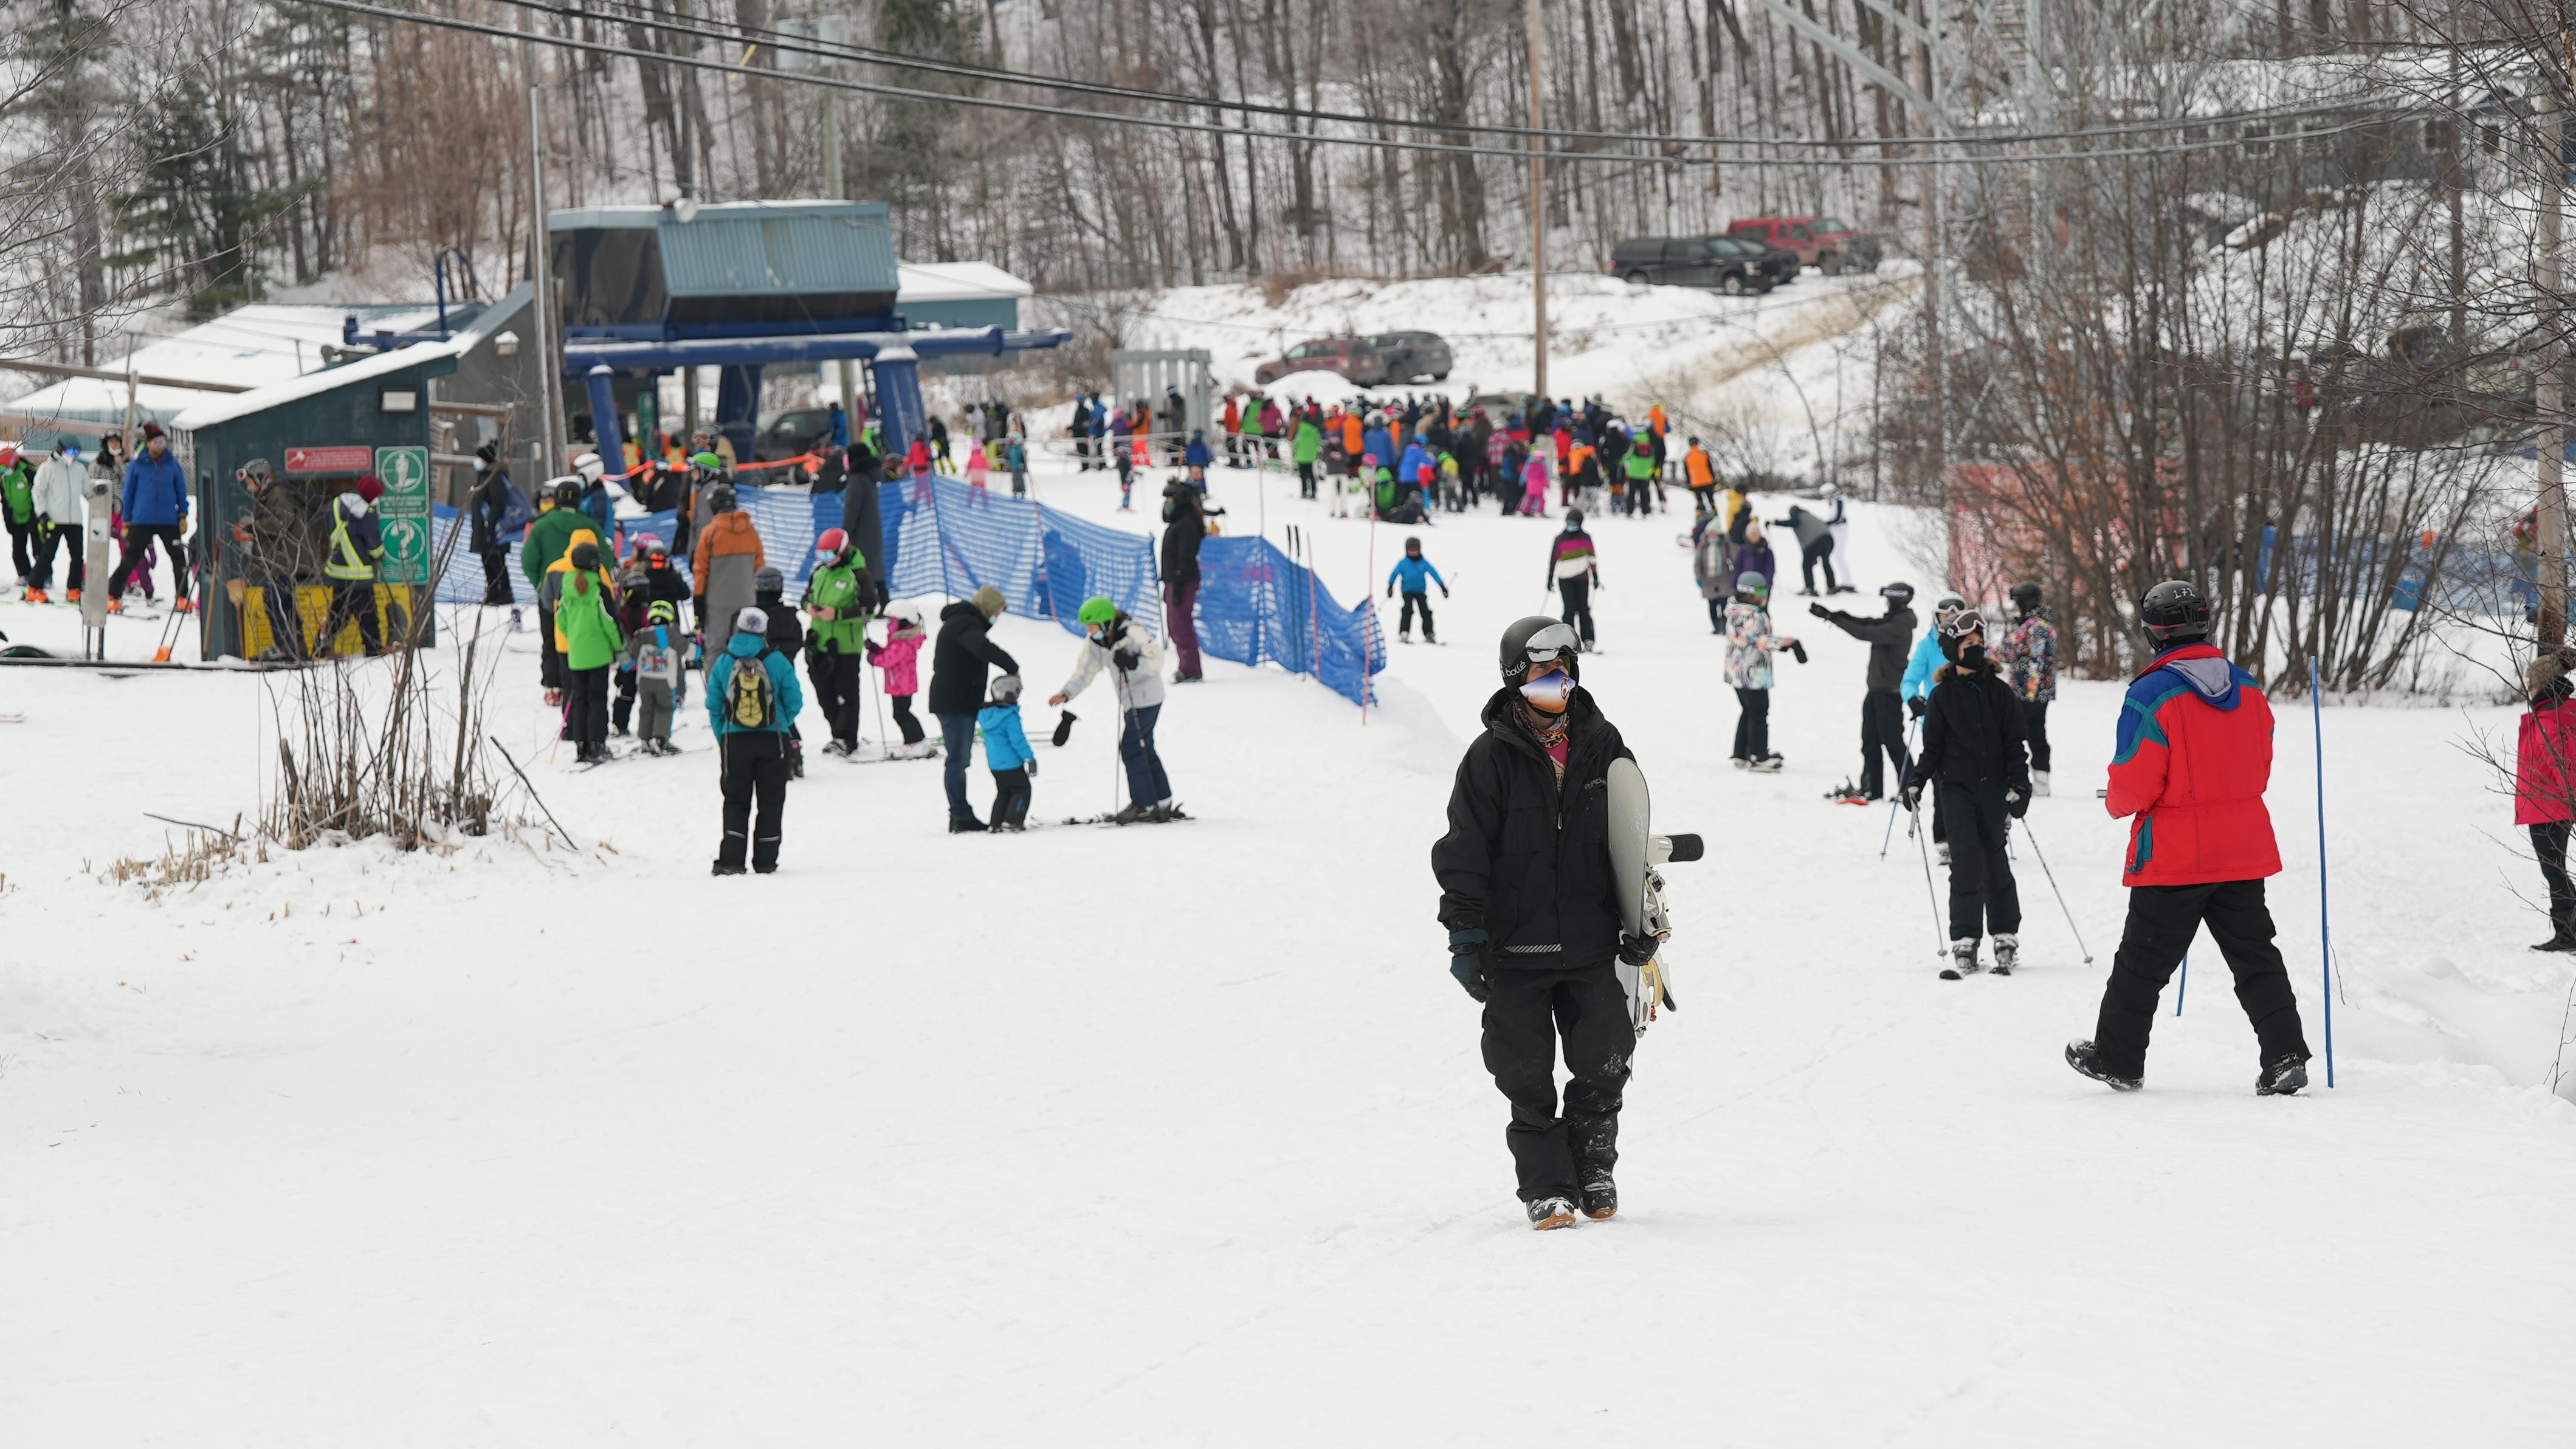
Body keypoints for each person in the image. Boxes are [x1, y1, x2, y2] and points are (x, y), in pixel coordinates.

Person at [1431, 616, 1652, 1230]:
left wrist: (1640, 918)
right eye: (1542, 674)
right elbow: (1463, 851)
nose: (1556, 683)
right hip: (1515, 946)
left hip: (1586, 940)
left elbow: (1626, 839)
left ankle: (1592, 1163)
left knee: (1606, 1056)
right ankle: (1547, 1185)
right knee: (1522, 1071)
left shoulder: (1602, 745)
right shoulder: (1489, 759)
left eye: (1562, 672)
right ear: (1513, 681)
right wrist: (1465, 934)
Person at [2067, 582, 2314, 1094]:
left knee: (2141, 962)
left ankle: (2118, 1058)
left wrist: (2115, 802)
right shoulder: (2247, 688)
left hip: (2177, 854)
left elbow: (2134, 782)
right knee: (2255, 956)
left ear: (2155, 632)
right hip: (2242, 848)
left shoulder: (2150, 693)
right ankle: (2286, 1055)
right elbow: (2260, 766)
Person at [1903, 608, 2029, 979]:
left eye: (1978, 643)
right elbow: (1933, 749)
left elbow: (2014, 745)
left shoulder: (2000, 693)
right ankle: (1965, 938)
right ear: (1952, 650)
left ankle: (2005, 934)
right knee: (1965, 862)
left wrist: (2019, 785)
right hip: (1955, 791)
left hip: (1993, 791)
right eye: (1967, 645)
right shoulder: (1941, 697)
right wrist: (1917, 779)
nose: (1975, 650)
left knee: (1995, 861)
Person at [1049, 596, 1173, 824]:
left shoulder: (1133, 633)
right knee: (1144, 747)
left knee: (1132, 748)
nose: (1089, 631)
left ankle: (1144, 804)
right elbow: (1084, 672)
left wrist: (1135, 663)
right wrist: (1067, 693)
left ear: (1106, 622)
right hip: (1130, 700)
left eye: (1092, 626)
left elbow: (1157, 661)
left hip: (1147, 698)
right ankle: (1162, 800)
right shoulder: (1096, 643)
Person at [707, 605, 804, 874]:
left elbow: (714, 704)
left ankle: (731, 862)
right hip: (774, 739)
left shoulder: (724, 661)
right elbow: (795, 700)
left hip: (734, 742)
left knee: (735, 800)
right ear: (764, 631)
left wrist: (723, 736)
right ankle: (765, 861)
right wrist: (781, 722)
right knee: (771, 801)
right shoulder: (777, 660)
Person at [1811, 583, 1918, 803]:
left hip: (1889, 693)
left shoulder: (1900, 626)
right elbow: (1868, 622)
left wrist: (1836, 620)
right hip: (1876, 691)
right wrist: (1837, 615)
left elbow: (1866, 633)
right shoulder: (1893, 619)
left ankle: (1910, 789)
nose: (1886, 603)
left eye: (1888, 599)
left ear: (1897, 600)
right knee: (1869, 741)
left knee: (1893, 743)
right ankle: (1872, 789)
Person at [931, 586, 1018, 831]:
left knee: (959, 759)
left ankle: (960, 815)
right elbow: (981, 647)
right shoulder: (966, 623)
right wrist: (1012, 666)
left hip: (958, 700)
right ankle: (960, 815)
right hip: (954, 703)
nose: (997, 618)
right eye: (997, 612)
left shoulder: (963, 622)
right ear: (988, 608)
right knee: (958, 760)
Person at [2516, 647, 2576, 951]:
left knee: (2553, 870)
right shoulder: (2566, 710)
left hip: (2547, 806)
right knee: (2557, 868)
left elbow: (2561, 763)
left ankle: (2569, 934)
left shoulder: (2548, 716)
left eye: (2532, 683)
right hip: (2557, 805)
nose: (2530, 689)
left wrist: (2569, 797)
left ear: (2543, 684)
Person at [1901, 593, 1966, 858]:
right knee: (1942, 781)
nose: (1949, 619)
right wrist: (1913, 699)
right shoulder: (1928, 646)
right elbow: (1909, 680)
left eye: (1955, 615)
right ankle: (1944, 838)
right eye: (1944, 614)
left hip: (1970, 722)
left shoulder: (1971, 643)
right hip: (1936, 723)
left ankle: (1980, 832)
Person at [803, 528, 875, 757]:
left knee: (847, 695)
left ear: (842, 552)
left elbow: (870, 609)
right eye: (820, 556)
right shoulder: (819, 573)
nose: (825, 561)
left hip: (846, 646)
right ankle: (838, 733)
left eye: (829, 556)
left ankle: (847, 738)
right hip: (820, 643)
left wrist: (839, 614)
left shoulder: (859, 575)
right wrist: (808, 607)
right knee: (824, 693)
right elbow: (805, 596)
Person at [109, 425, 191, 611]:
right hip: (141, 520)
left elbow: (181, 491)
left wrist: (183, 514)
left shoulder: (173, 465)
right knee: (131, 558)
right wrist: (127, 521)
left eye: (164, 442)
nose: (161, 446)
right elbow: (128, 495)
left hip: (168, 520)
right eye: (157, 442)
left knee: (179, 559)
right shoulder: (137, 466)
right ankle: (112, 594)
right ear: (149, 444)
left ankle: (183, 597)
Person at [557, 540, 624, 763]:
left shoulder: (565, 586)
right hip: (598, 654)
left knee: (580, 700)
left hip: (576, 654)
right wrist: (618, 645)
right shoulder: (599, 589)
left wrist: (575, 638)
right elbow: (609, 621)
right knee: (597, 700)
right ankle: (597, 744)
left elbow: (561, 619)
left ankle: (581, 745)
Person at [522, 479, 590, 695]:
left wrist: (541, 585)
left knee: (551, 639)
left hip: (550, 594)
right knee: (581, 637)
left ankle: (553, 686)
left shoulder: (541, 526)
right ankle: (579, 684)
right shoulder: (588, 525)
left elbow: (528, 560)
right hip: (584, 593)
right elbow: (606, 558)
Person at [1992, 580, 2059, 795]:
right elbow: (2011, 650)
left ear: (2024, 603)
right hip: (2035, 692)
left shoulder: (2036, 627)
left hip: (2030, 693)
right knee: (2035, 733)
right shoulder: (2033, 625)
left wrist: (2030, 692)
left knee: (2017, 733)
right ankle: (2040, 782)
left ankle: (2031, 781)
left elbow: (2035, 661)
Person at [1726, 571, 1792, 772]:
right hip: (1752, 674)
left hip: (1738, 672)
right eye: (1761, 591)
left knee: (1749, 711)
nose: (1764, 595)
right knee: (1758, 713)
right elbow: (1758, 639)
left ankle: (1741, 754)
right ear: (1748, 592)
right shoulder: (1752, 614)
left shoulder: (1735, 610)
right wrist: (1784, 643)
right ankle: (1759, 756)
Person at [313, 486, 390, 656]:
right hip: (358, 572)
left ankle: (320, 647)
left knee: (339, 614)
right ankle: (373, 648)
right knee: (368, 612)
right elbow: (373, 543)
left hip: (338, 570)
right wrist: (378, 554)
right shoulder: (365, 512)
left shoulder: (335, 504)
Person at [692, 483, 765, 659]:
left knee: (716, 650)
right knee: (747, 647)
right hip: (747, 600)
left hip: (718, 603)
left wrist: (698, 600)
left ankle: (717, 686)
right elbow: (760, 566)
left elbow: (701, 571)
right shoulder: (751, 531)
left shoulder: (710, 532)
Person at [1161, 479, 1215, 683]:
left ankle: (1191, 669)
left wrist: (1178, 586)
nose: (1167, 503)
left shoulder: (1187, 523)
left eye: (1170, 499)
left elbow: (1186, 556)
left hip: (1183, 581)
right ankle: (1186, 666)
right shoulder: (1178, 521)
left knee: (1181, 626)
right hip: (1174, 581)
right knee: (1174, 627)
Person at [868, 601, 932, 757]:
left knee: (901, 714)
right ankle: (916, 740)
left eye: (891, 622)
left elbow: (887, 660)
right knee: (903, 712)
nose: (888, 625)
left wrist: (874, 658)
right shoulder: (900, 639)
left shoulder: (903, 642)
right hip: (900, 684)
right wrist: (876, 649)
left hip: (901, 684)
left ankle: (914, 741)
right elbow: (889, 653)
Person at [466, 443, 528, 608]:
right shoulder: (484, 476)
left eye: (479, 458)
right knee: (487, 560)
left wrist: (490, 526)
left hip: (494, 529)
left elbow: (497, 504)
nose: (476, 461)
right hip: (483, 527)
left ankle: (505, 592)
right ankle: (493, 591)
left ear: (485, 459)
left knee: (496, 560)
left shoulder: (495, 477)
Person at [27, 442, 88, 603]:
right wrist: (43, 513)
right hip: (54, 519)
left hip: (74, 520)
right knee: (47, 555)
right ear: (60, 449)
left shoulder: (79, 469)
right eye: (70, 450)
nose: (73, 454)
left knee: (77, 557)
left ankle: (74, 589)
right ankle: (34, 588)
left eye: (77, 451)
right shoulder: (47, 468)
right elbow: (38, 491)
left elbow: (88, 491)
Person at [625, 599, 686, 755]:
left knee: (646, 708)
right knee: (664, 708)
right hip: (665, 681)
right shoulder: (671, 635)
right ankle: (661, 739)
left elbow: (629, 656)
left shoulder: (641, 636)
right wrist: (698, 648)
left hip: (644, 681)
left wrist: (626, 667)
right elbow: (689, 650)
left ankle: (645, 739)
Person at [980, 673, 1038, 831]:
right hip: (1011, 764)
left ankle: (995, 823)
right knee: (1022, 790)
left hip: (995, 765)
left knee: (1004, 792)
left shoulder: (987, 715)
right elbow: (1018, 741)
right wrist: (1030, 758)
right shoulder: (1009, 717)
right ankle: (1012, 821)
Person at [1544, 509, 1600, 649]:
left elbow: (1592, 558)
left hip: (1582, 578)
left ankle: (1588, 639)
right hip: (1565, 579)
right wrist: (1550, 579)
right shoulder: (1560, 539)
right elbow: (1553, 560)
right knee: (1569, 609)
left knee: (1583, 609)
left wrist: (1596, 576)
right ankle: (1569, 640)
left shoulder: (1586, 538)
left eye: (1574, 523)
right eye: (1569, 523)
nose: (1571, 525)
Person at [1385, 535, 1449, 644]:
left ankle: (1429, 633)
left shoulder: (1423, 563)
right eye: (1411, 550)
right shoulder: (1404, 563)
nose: (1414, 552)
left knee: (1426, 613)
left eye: (1416, 550)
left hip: (1420, 592)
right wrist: (1391, 586)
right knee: (1407, 611)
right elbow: (1394, 574)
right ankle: (1404, 632)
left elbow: (1434, 573)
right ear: (1406, 550)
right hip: (1407, 591)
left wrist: (1442, 586)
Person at [1770, 502, 1837, 597]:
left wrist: (1774, 522)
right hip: (1828, 538)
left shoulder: (1798, 515)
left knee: (1806, 565)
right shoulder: (1809, 515)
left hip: (1815, 541)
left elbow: (1793, 522)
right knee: (1826, 563)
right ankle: (1832, 587)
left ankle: (1809, 588)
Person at [1820, 484, 1854, 593]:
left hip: (1840, 531)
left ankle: (1848, 583)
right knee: (1837, 557)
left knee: (1839, 556)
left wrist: (1826, 523)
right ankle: (1846, 581)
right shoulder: (1834, 501)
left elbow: (1838, 518)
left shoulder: (1839, 500)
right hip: (1835, 531)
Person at [1682, 436, 1717, 517]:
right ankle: (1716, 515)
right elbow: (1710, 468)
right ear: (1698, 444)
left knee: (1700, 502)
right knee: (1711, 500)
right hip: (1708, 481)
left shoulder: (1687, 457)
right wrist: (1714, 479)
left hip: (1695, 483)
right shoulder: (1704, 455)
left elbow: (1686, 472)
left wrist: (1689, 483)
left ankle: (1701, 517)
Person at [1005, 433, 1030, 498]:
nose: (1012, 441)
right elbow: (1008, 455)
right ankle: (1015, 491)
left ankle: (1022, 491)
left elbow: (1024, 456)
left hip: (1019, 467)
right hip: (1013, 466)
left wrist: (1024, 466)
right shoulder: (1011, 448)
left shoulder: (1019, 448)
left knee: (1020, 480)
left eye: (1013, 439)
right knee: (1014, 479)